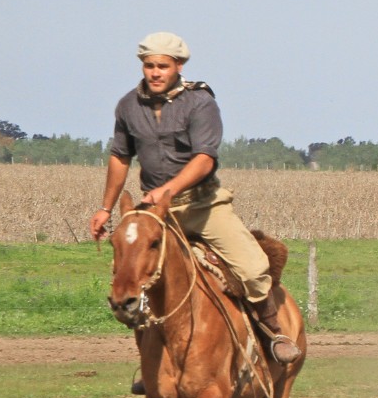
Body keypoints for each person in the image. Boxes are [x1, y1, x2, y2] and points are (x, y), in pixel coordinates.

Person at [89, 32, 300, 364]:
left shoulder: (200, 102)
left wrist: (166, 190)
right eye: (149, 65)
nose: (155, 72)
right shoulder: (128, 106)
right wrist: (105, 208)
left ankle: (273, 332)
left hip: (204, 205)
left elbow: (204, 159)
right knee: (136, 278)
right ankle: (151, 362)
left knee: (252, 268)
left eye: (162, 66)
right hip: (158, 213)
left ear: (179, 65)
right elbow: (119, 157)